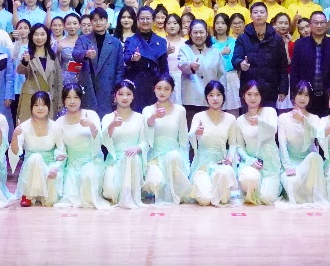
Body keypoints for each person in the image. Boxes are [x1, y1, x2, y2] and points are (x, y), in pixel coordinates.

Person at [55, 85, 109, 209]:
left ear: (80, 99)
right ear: (64, 100)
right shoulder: (59, 122)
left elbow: (100, 142)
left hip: (91, 161)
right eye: (68, 98)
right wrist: (59, 156)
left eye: (76, 97)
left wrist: (92, 126)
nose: (72, 101)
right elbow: (59, 147)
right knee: (69, 197)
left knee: (88, 178)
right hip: (72, 165)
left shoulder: (91, 115)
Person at [141, 75, 192, 205]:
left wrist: (185, 164)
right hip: (154, 157)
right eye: (159, 88)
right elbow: (147, 129)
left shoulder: (180, 110)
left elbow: (183, 140)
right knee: (154, 183)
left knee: (173, 157)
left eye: (166, 89)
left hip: (174, 157)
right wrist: (154, 117)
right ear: (154, 89)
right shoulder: (148, 110)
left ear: (172, 90)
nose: (162, 92)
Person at [10, 91, 65, 207]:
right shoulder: (24, 127)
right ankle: (28, 195)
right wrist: (14, 136)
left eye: (43, 105)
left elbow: (61, 151)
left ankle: (43, 193)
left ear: (48, 107)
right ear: (31, 107)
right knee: (36, 157)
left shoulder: (55, 127)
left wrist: (55, 167)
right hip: (30, 169)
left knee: (51, 200)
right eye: (36, 105)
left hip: (49, 167)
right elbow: (16, 151)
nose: (40, 108)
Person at [188, 80, 238, 206]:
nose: (215, 98)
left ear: (223, 96)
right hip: (202, 164)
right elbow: (190, 136)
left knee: (223, 199)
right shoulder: (199, 116)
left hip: (221, 164)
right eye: (211, 95)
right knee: (204, 199)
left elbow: (233, 143)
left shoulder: (231, 118)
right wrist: (196, 133)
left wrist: (230, 157)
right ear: (206, 97)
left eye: (218, 95)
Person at [278, 82, 328, 206]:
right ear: (294, 96)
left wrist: (303, 119)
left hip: (309, 162)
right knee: (291, 183)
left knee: (315, 157)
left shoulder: (314, 118)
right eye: (300, 94)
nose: (302, 98)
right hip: (291, 163)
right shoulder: (283, 118)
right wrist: (288, 166)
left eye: (306, 95)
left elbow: (317, 134)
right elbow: (282, 145)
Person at [232, 81, 282, 205]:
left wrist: (260, 122)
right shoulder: (240, 120)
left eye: (256, 94)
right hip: (251, 163)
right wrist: (250, 161)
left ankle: (275, 185)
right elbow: (239, 146)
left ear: (261, 96)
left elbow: (273, 130)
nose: (253, 98)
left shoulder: (270, 111)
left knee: (267, 198)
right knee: (249, 179)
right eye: (249, 94)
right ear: (244, 96)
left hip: (270, 165)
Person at [100, 80, 147, 209]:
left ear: (133, 96)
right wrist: (112, 125)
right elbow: (104, 141)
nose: (125, 98)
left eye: (128, 94)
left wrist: (137, 148)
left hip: (133, 160)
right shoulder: (108, 118)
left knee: (131, 158)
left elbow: (145, 142)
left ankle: (130, 193)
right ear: (115, 97)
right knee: (109, 192)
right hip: (114, 160)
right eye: (121, 94)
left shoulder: (140, 118)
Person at [232, 3, 289, 107]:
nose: (259, 15)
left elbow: (282, 66)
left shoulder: (277, 39)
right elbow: (236, 58)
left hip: (270, 89)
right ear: (251, 16)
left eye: (262, 12)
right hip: (248, 89)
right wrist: (241, 64)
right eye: (255, 12)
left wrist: (283, 89)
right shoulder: (243, 38)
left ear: (267, 15)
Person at [289, 11, 330, 116]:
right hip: (306, 94)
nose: (319, 26)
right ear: (310, 25)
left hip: (328, 96)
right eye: (316, 23)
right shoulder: (300, 44)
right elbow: (294, 71)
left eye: (322, 22)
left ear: (326, 25)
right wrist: (294, 94)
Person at [75, 9, 125, 117]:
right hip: (89, 86)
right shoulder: (83, 39)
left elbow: (119, 70)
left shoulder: (115, 43)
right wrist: (86, 54)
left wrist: (117, 90)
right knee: (88, 120)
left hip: (108, 88)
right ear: (91, 22)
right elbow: (75, 54)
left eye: (101, 19)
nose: (98, 23)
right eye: (95, 20)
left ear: (106, 21)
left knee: (106, 120)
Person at [177, 19, 224, 126]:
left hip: (212, 99)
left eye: (201, 32)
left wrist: (220, 96)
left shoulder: (215, 52)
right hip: (191, 100)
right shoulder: (184, 50)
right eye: (195, 32)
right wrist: (191, 66)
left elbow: (221, 76)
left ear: (207, 34)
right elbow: (182, 64)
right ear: (190, 34)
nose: (198, 35)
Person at [123, 7, 169, 111]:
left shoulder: (161, 41)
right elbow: (126, 59)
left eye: (148, 18)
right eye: (142, 18)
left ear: (153, 20)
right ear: (137, 20)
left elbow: (164, 67)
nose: (145, 21)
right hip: (137, 83)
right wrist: (133, 58)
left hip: (155, 85)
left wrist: (166, 84)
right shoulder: (131, 40)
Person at [17, 24, 63, 123]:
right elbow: (20, 70)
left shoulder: (52, 56)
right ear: (31, 37)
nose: (39, 38)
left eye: (42, 34)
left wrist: (59, 101)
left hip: (49, 98)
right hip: (31, 97)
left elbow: (59, 79)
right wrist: (25, 61)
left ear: (47, 36)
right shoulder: (27, 54)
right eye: (36, 34)